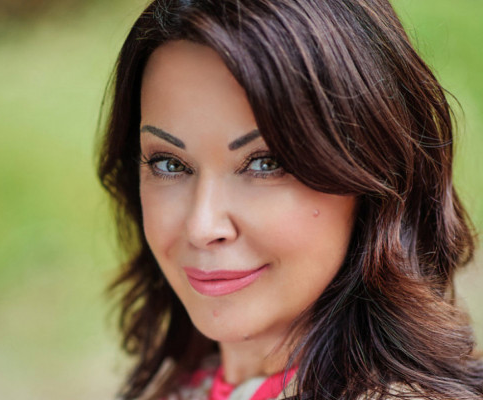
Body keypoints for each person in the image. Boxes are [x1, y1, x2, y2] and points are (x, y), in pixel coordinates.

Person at [97, 0, 483, 399]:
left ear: (373, 174)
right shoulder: (176, 386)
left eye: (266, 164)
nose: (202, 226)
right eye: (170, 164)